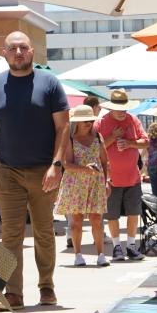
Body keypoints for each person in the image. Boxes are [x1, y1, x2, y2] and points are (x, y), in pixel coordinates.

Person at [0, 31, 69, 310]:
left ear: (31, 52)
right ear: (4, 53)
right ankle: (13, 292)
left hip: (44, 170)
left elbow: (63, 127)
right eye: (13, 48)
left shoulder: (50, 83)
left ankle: (47, 287)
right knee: (11, 234)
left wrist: (56, 165)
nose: (18, 52)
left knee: (43, 231)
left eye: (23, 48)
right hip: (8, 171)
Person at [96, 89, 147, 262]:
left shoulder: (133, 120)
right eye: (119, 109)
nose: (122, 112)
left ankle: (131, 246)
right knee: (112, 215)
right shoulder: (101, 123)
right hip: (110, 179)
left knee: (134, 213)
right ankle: (117, 247)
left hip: (133, 177)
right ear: (111, 108)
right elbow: (95, 148)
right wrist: (113, 137)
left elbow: (145, 142)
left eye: (124, 108)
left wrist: (130, 143)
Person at [56, 105, 110, 268]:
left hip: (95, 183)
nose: (88, 123)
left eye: (90, 120)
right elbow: (66, 164)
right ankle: (78, 255)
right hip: (76, 183)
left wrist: (107, 181)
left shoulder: (98, 137)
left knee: (96, 218)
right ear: (77, 122)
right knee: (77, 219)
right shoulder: (70, 139)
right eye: (85, 120)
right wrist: (85, 169)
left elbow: (104, 161)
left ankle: (101, 255)